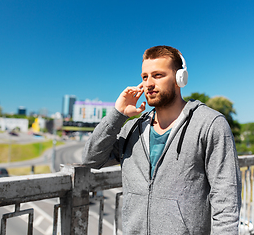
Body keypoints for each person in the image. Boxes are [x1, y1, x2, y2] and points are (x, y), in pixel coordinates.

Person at [82, 45, 242, 234]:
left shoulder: (210, 124)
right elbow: (91, 159)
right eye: (144, 77)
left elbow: (226, 198)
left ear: (179, 78)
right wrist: (118, 114)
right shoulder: (133, 128)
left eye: (158, 75)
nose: (148, 83)